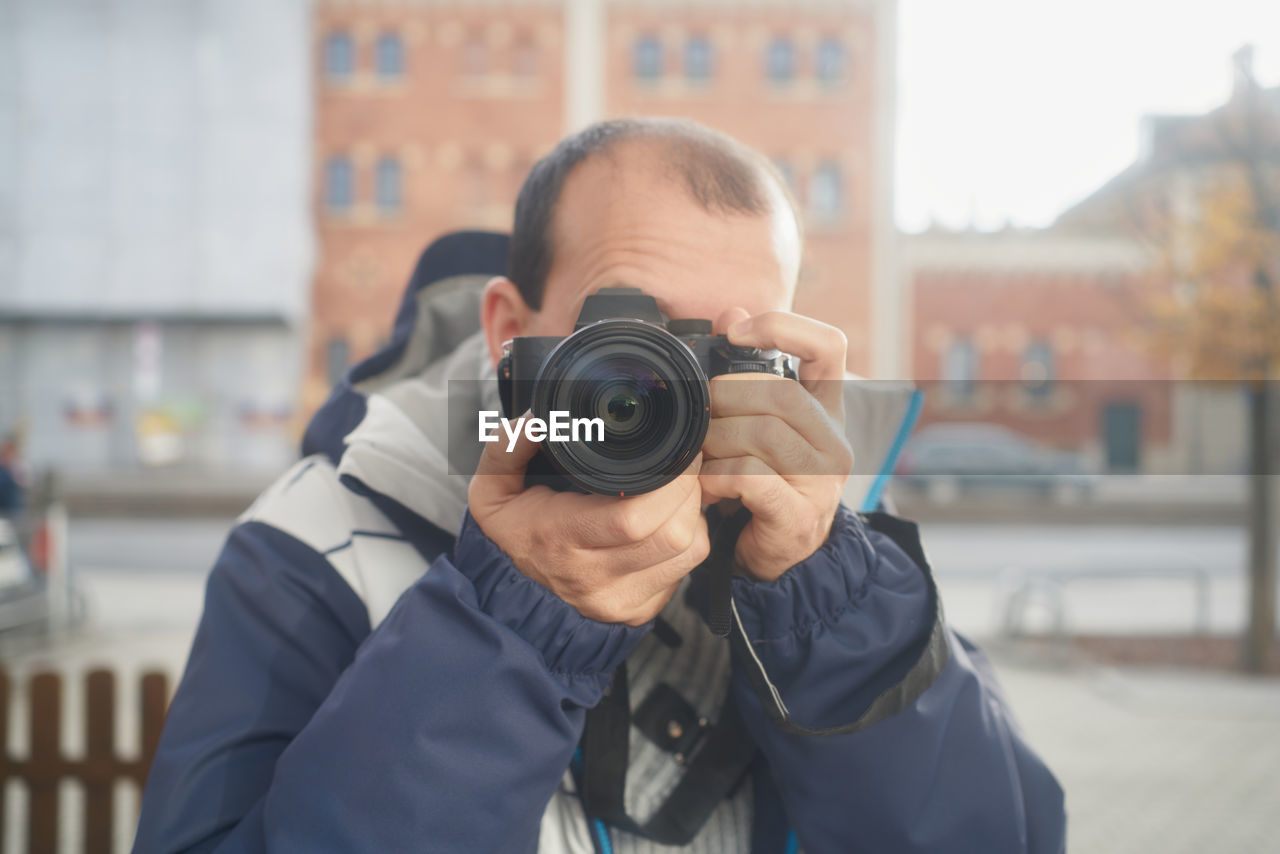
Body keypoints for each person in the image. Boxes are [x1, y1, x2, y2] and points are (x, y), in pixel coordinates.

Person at [134, 119, 1065, 853]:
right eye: (632, 334)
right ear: (511, 332)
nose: (669, 389)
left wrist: (828, 601)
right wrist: (510, 626)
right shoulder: (317, 538)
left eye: (726, 349)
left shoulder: (832, 540)